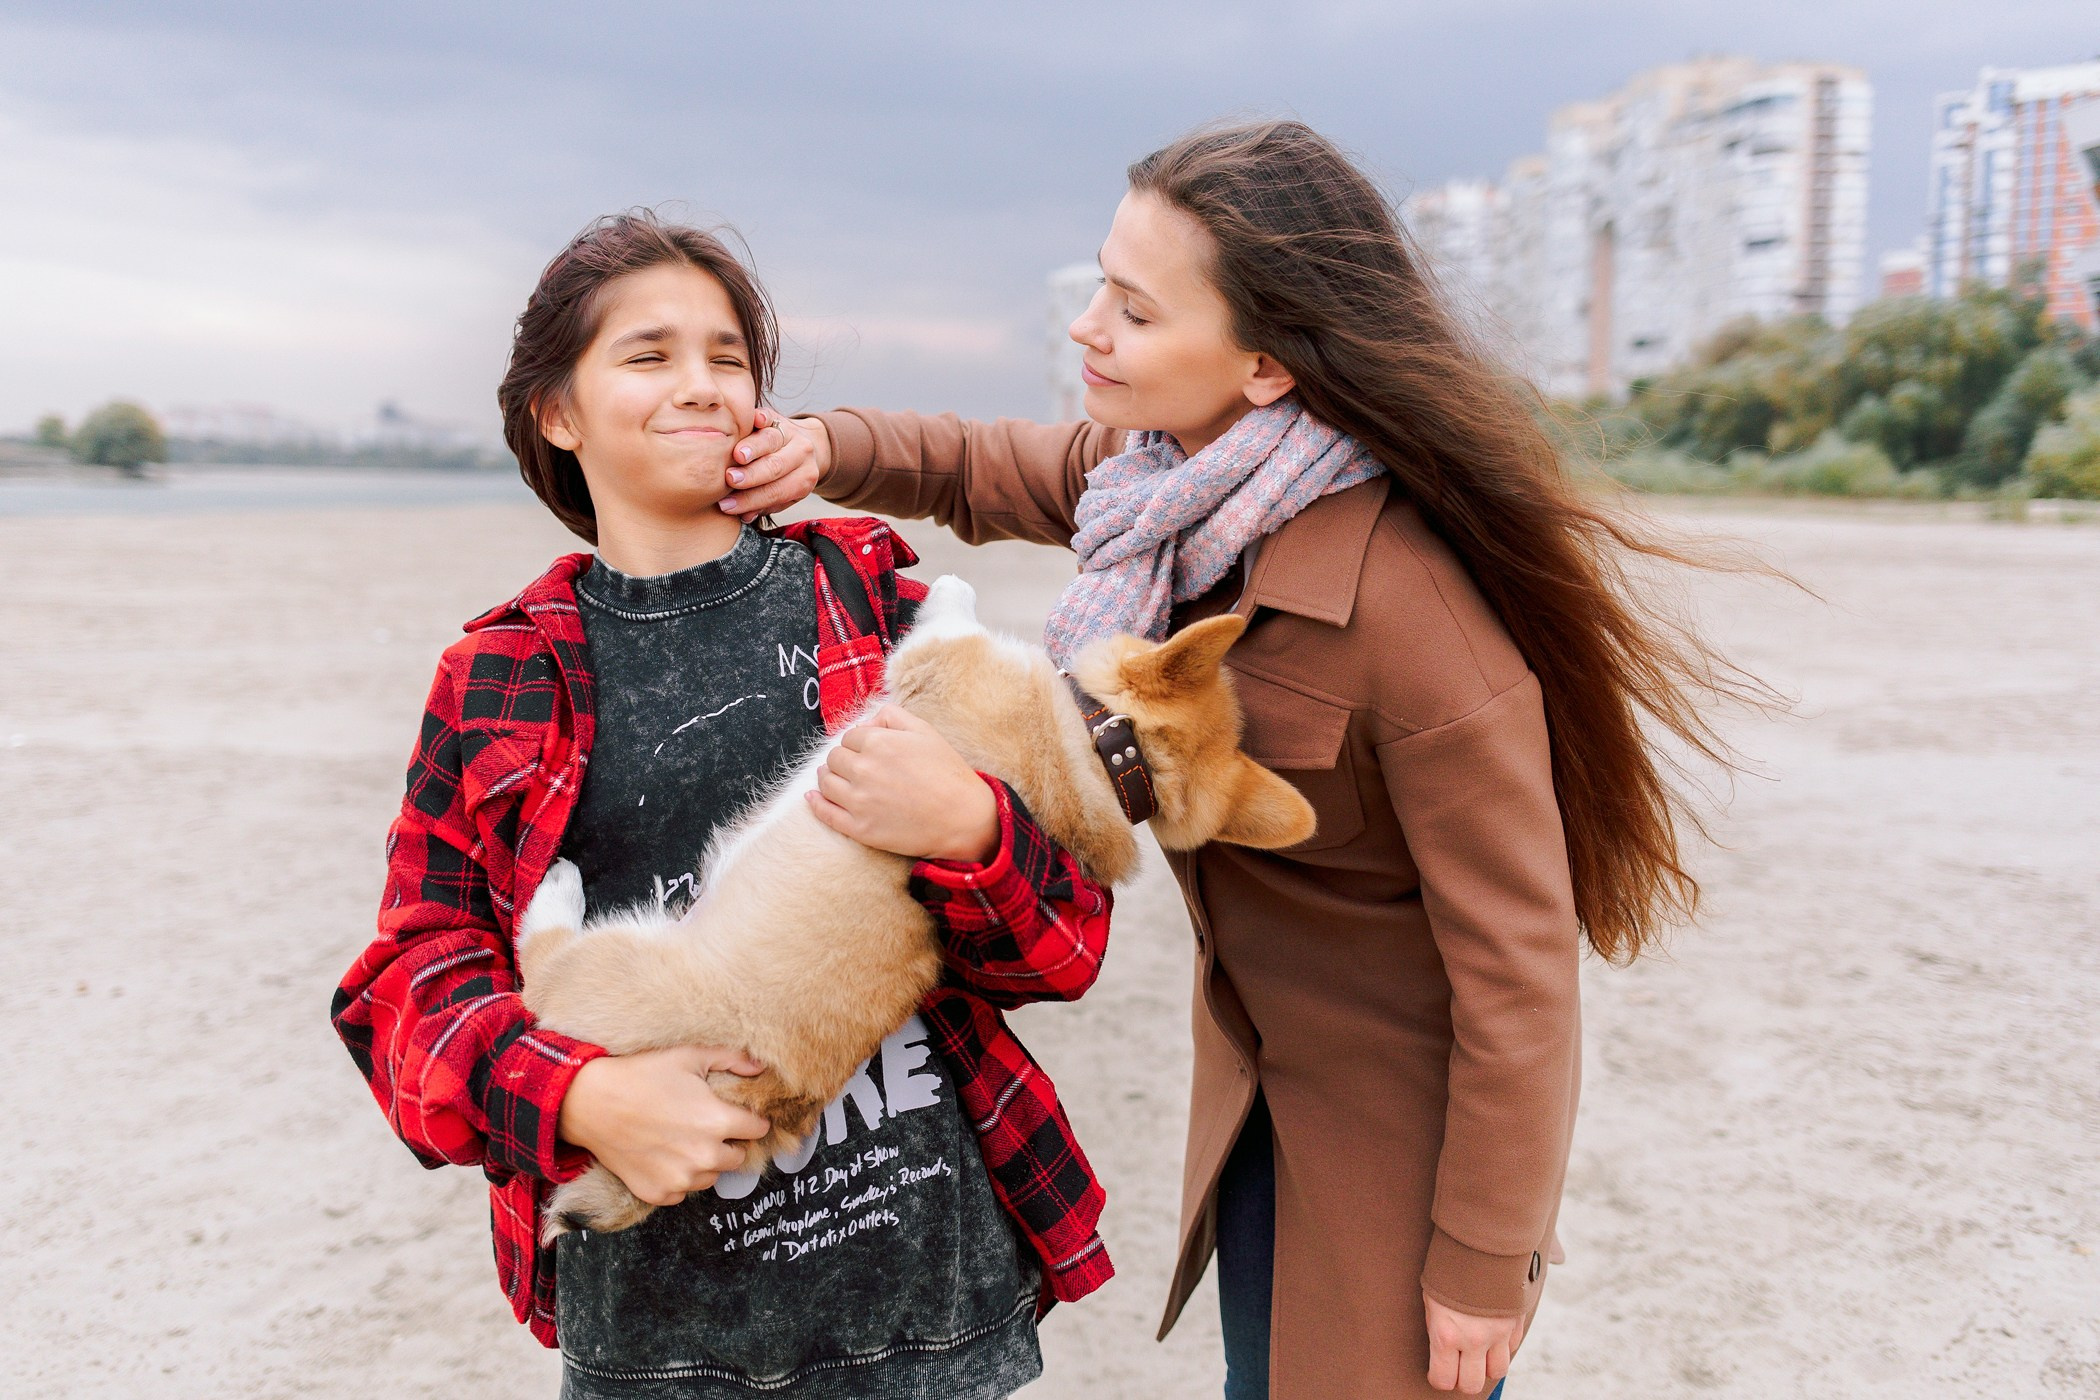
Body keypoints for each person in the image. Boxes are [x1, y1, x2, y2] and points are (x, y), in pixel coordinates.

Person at [724, 121, 1755, 1398]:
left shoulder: (1414, 615)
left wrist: (1487, 1259)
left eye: (1136, 312)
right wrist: (829, 448)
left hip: (1396, 1147)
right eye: (1100, 282)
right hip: (1257, 1099)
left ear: (1263, 365)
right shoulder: (1175, 485)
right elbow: (1001, 465)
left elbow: (1522, 974)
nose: (1090, 326)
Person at [332, 211, 1119, 1399]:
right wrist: (582, 1093)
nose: (699, 385)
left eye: (728, 357)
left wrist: (974, 829)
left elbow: (1064, 944)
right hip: (659, 1335)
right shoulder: (502, 675)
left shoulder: (874, 603)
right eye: (646, 356)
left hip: (934, 1310)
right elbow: (407, 983)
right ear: (556, 411)